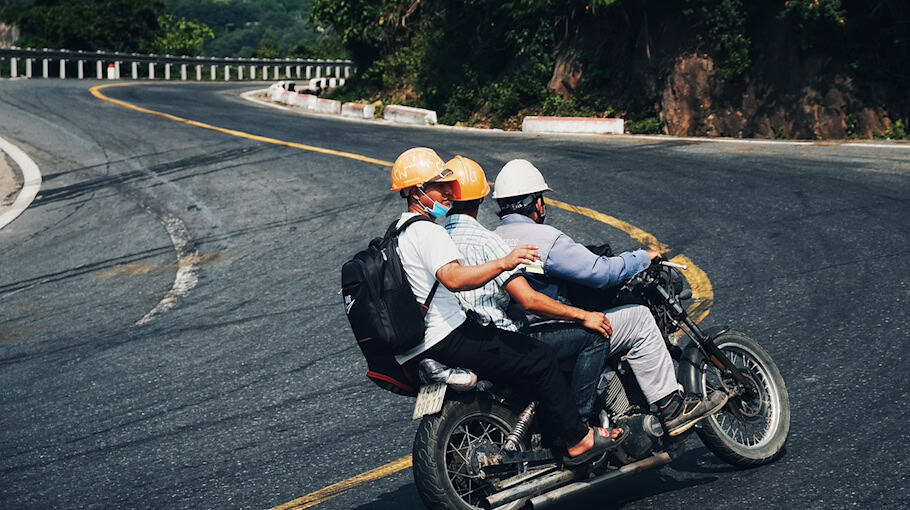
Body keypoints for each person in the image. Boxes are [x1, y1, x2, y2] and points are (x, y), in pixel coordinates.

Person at [388, 147, 622, 465]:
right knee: (540, 357)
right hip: (449, 335)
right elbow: (455, 278)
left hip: (418, 343)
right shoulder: (429, 231)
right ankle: (578, 438)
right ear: (417, 191)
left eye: (449, 186)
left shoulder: (397, 233)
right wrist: (503, 263)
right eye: (439, 185)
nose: (447, 191)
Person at [493, 159, 728, 436]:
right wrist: (641, 257)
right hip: (551, 329)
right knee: (638, 319)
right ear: (536, 203)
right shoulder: (544, 239)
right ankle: (672, 407)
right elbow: (600, 272)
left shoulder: (492, 237)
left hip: (516, 335)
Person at [441, 155, 612, 421]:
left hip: (456, 340)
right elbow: (529, 300)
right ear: (482, 198)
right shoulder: (489, 242)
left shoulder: (437, 238)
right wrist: (584, 315)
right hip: (498, 339)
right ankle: (581, 426)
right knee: (594, 337)